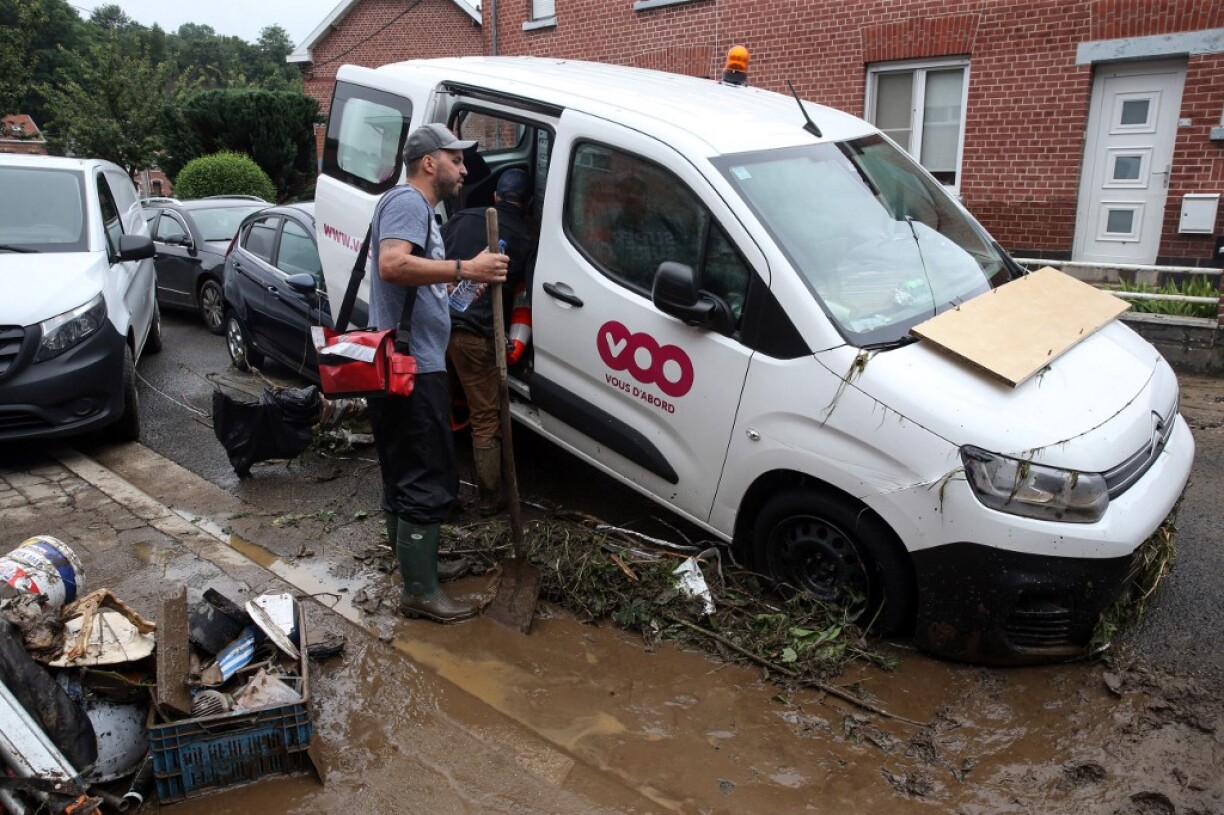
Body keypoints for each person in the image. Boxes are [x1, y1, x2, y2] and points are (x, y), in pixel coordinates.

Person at [368, 123, 508, 623]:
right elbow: (393, 265)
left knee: (404, 474)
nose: (464, 169)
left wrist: (452, 295)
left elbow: (411, 280)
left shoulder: (410, 207)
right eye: (457, 159)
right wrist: (465, 270)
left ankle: (416, 571)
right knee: (427, 476)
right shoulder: (408, 202)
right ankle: (420, 592)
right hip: (412, 367)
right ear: (430, 162)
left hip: (401, 362)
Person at [443, 168, 538, 516]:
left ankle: (439, 492)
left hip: (436, 326)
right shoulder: (527, 238)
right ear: (527, 203)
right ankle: (489, 499)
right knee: (485, 418)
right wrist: (518, 342)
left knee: (437, 410)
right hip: (475, 336)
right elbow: (525, 296)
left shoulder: (461, 219)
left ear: (496, 196)